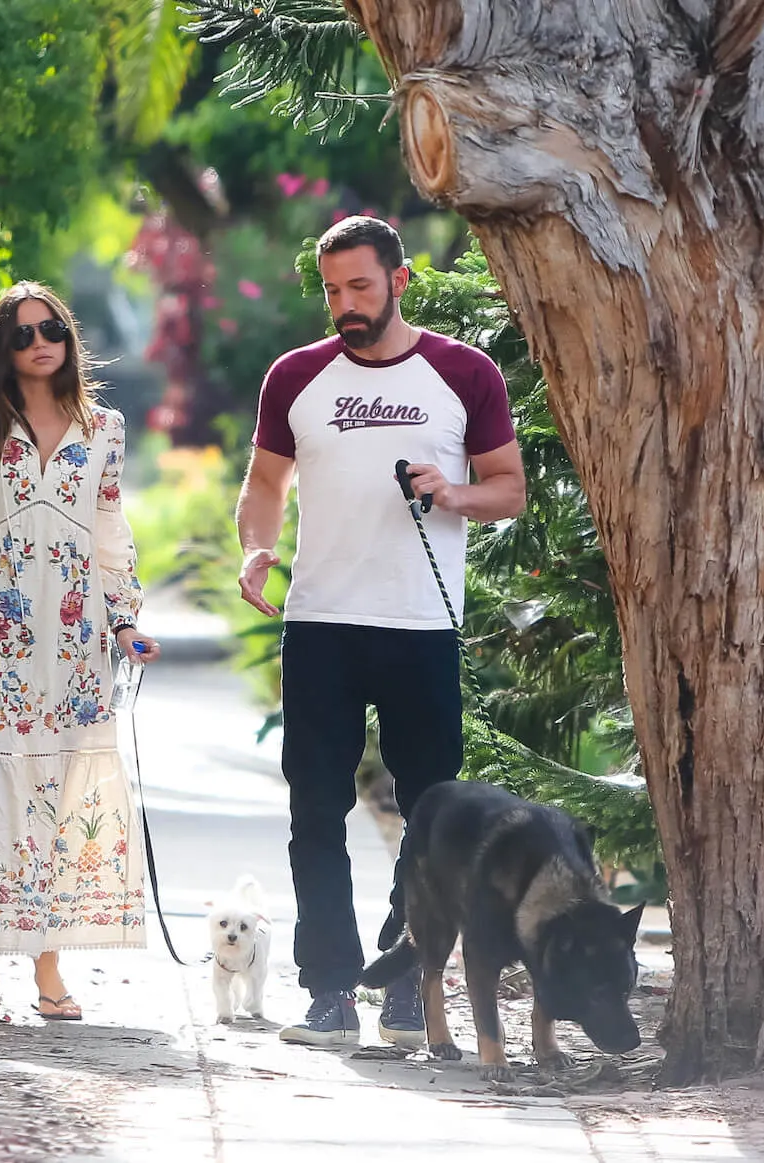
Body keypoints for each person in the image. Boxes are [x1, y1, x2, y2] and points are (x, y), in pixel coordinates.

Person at [236, 216, 526, 1046]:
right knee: (314, 811)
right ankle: (329, 989)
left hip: (420, 624)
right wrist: (258, 548)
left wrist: (454, 491)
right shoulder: (296, 376)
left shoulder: (463, 374)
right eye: (332, 289)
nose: (344, 304)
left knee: (430, 814)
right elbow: (264, 481)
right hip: (322, 622)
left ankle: (406, 982)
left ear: (399, 281)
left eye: (360, 286)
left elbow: (508, 487)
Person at [0, 281, 160, 1023]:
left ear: (67, 336)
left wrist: (125, 622)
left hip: (74, 642)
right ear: (0, 350)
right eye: (20, 334)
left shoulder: (104, 427)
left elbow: (110, 533)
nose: (38, 341)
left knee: (56, 800)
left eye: (49, 327)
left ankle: (50, 969)